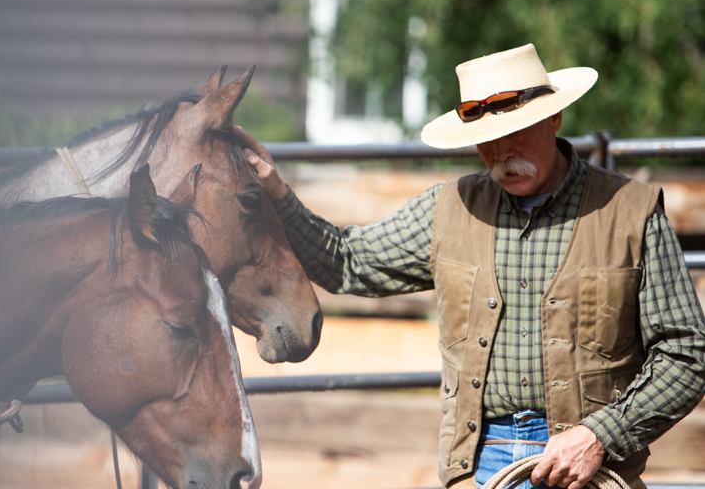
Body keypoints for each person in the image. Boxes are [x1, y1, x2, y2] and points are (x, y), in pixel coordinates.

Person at [236, 44, 705, 489]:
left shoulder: (631, 211)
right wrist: (277, 191)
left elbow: (687, 354)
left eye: (517, 133)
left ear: (555, 117)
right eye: (486, 141)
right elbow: (346, 261)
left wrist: (599, 435)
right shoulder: (449, 209)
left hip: (589, 463)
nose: (502, 154)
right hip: (481, 462)